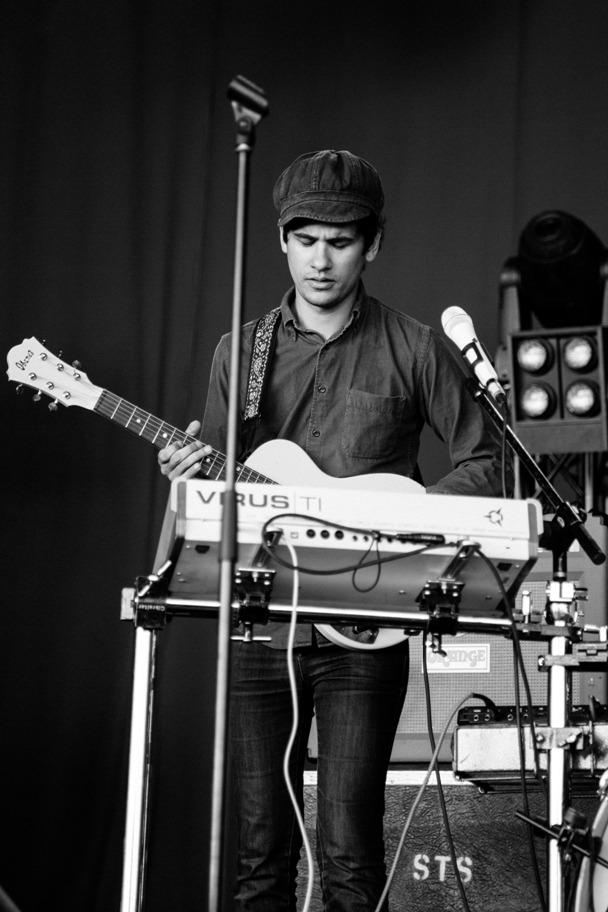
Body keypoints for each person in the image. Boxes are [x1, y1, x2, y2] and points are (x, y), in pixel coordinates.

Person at [158, 149, 511, 911]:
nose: (321, 260)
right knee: (260, 854)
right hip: (260, 624)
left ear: (373, 244)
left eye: (341, 241)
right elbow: (220, 495)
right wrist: (188, 473)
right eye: (306, 240)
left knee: (351, 851)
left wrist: (399, 521)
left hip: (366, 627)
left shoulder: (415, 347)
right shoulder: (241, 351)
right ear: (282, 241)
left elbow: (489, 462)